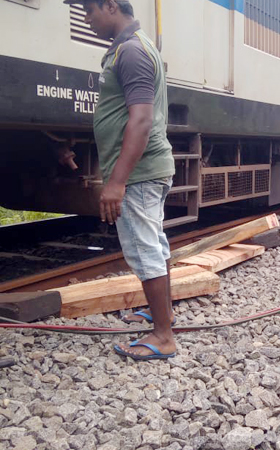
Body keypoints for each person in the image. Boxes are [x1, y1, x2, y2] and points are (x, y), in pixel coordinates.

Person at [65, 0, 176, 359]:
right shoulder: (131, 47)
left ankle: (163, 336)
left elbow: (141, 120)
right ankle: (163, 318)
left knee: (144, 249)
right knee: (154, 246)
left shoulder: (131, 52)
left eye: (89, 11)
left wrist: (116, 182)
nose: (87, 19)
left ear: (111, 5)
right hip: (147, 170)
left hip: (140, 174)